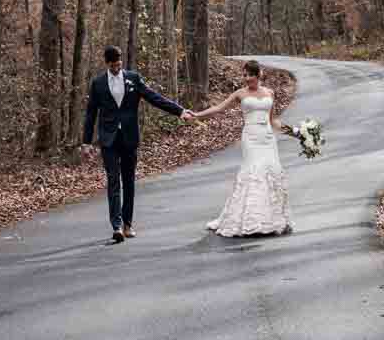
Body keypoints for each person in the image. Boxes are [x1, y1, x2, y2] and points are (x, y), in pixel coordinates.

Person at [80, 46, 188, 244]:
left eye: (119, 63)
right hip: (108, 139)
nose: (117, 67)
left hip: (129, 137)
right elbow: (91, 113)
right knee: (113, 180)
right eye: (113, 64)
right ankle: (117, 226)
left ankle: (128, 224)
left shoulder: (133, 78)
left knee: (128, 181)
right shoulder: (98, 84)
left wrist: (179, 111)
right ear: (107, 63)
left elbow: (154, 97)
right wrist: (86, 142)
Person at [189, 60, 293, 237]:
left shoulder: (270, 92)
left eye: (250, 75)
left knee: (270, 172)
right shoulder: (240, 94)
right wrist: (197, 115)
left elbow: (273, 120)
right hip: (251, 137)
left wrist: (295, 132)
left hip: (267, 137)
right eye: (244, 75)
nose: (247, 79)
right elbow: (218, 108)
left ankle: (270, 219)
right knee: (253, 173)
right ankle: (251, 220)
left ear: (258, 75)